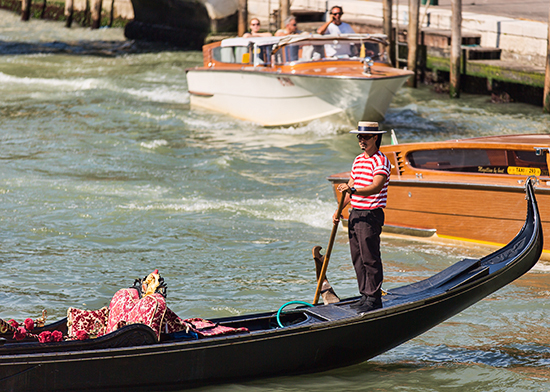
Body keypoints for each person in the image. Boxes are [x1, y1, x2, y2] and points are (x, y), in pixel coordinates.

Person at [333, 121, 390, 313]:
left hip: (371, 214)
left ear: (375, 138)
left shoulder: (381, 161)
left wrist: (354, 189)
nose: (361, 140)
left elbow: (376, 187)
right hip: (355, 214)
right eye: (359, 137)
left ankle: (374, 298)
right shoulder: (358, 160)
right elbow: (350, 188)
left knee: (370, 257)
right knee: (357, 257)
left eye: (365, 137)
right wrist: (339, 210)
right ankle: (365, 295)